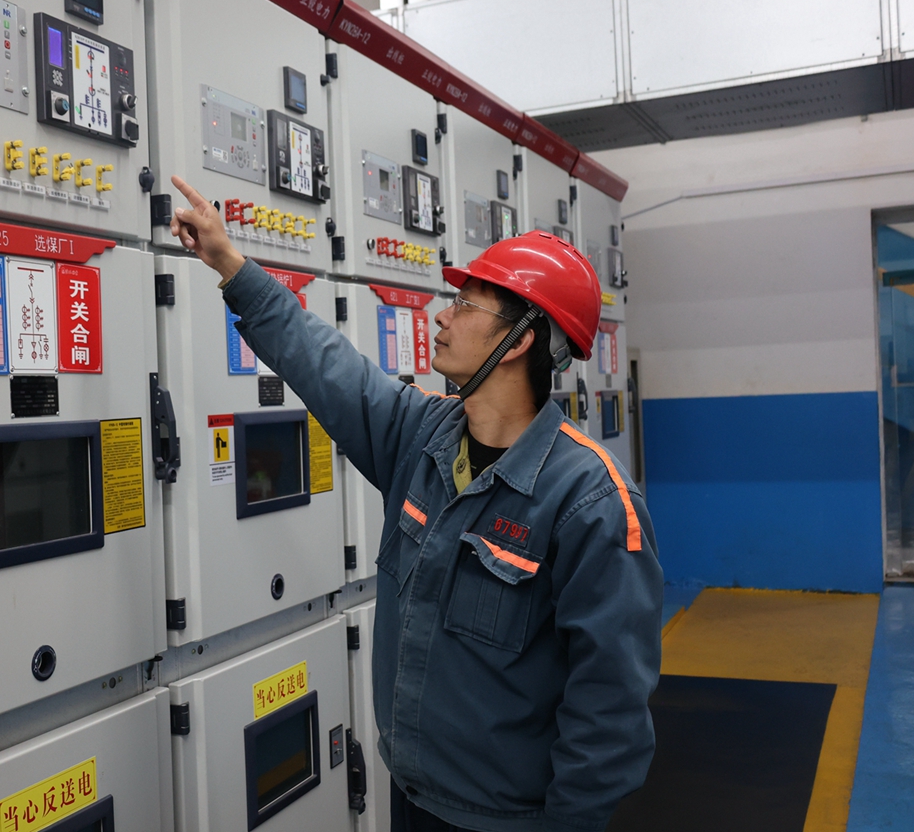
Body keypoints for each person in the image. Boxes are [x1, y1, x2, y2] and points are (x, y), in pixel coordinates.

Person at [169, 175, 662, 832]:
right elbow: (325, 364)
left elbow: (611, 715)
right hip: (411, 798)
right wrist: (229, 262)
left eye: (465, 304)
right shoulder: (422, 436)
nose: (441, 316)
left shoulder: (589, 501)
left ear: (519, 340)